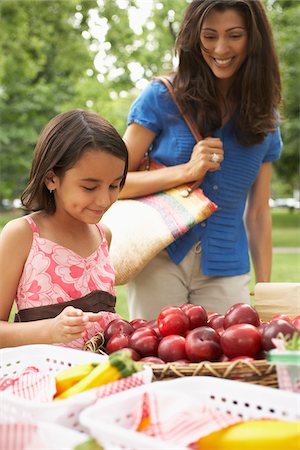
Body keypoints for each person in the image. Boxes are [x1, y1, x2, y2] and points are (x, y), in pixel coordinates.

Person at [120, 0, 282, 320]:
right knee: (162, 364)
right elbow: (112, 183)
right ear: (195, 39)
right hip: (159, 260)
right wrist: (186, 171)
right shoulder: (161, 97)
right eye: (209, 36)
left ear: (254, 38)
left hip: (228, 271)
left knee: (228, 366)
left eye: (234, 35)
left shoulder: (266, 120)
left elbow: (260, 213)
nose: (221, 48)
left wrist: (266, 289)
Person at [0, 109, 128, 348]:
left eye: (114, 185)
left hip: (100, 375)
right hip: (46, 376)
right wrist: (49, 330)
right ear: (51, 178)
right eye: (90, 187)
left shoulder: (103, 236)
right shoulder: (22, 235)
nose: (104, 200)